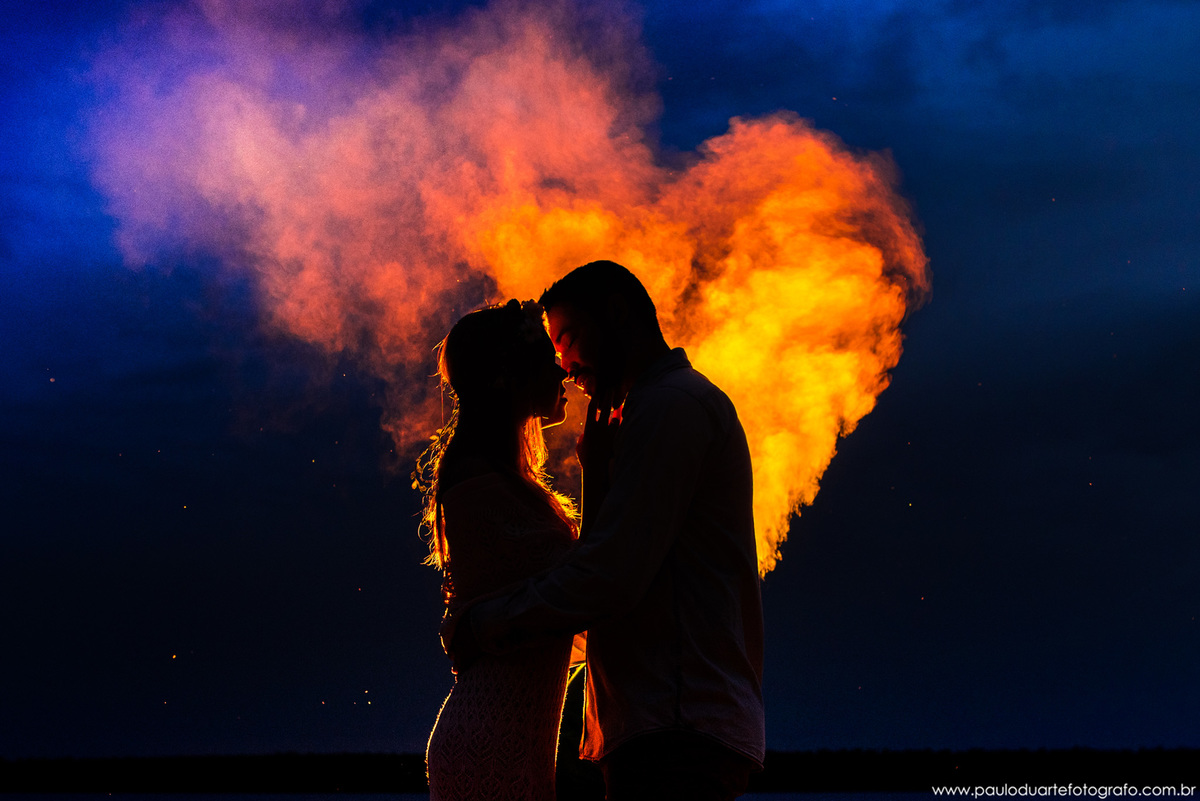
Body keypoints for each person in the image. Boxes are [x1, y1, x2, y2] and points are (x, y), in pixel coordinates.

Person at [448, 261, 765, 801]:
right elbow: (610, 573)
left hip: (676, 723)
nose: (565, 365)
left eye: (570, 339)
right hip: (662, 724)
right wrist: (596, 477)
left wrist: (485, 625)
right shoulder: (652, 410)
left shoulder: (668, 408)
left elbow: (611, 575)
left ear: (617, 314)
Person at [420, 299, 583, 801]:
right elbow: (581, 583)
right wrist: (603, 468)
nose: (562, 370)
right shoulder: (479, 482)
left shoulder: (499, 477)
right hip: (492, 737)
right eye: (545, 358)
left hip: (503, 732)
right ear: (508, 377)